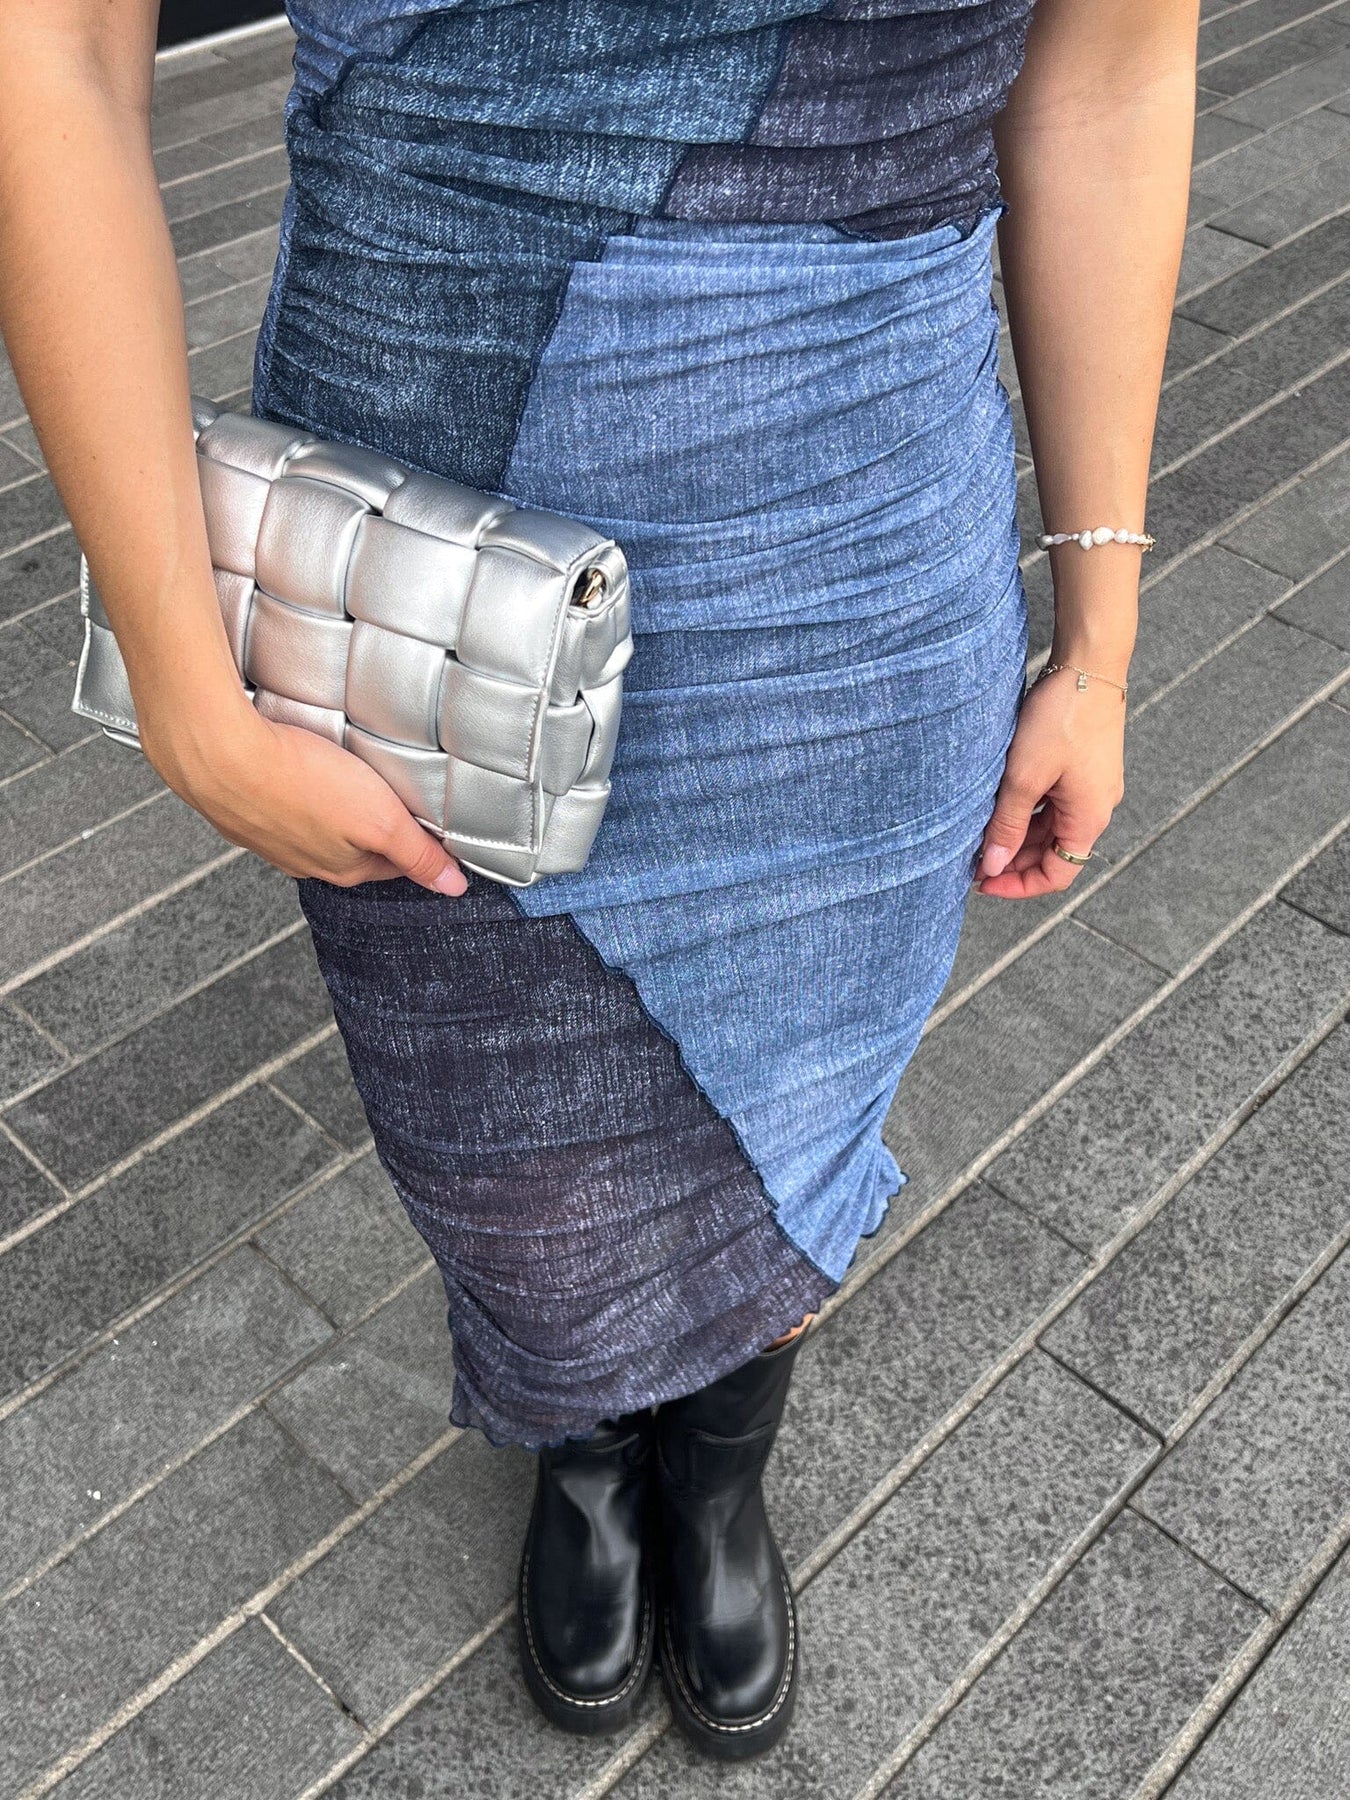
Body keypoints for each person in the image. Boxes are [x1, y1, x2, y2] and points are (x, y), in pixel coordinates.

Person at [0, 0, 1198, 1762]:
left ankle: (717, 1466)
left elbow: (1109, 78)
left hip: (858, 553)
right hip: (439, 558)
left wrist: (1098, 641)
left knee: (796, 1089)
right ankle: (578, 1430)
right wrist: (181, 678)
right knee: (506, 1160)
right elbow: (50, 53)